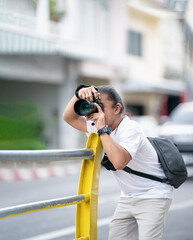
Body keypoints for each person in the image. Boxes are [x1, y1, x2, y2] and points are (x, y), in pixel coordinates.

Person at [63, 84, 173, 240]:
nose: (94, 110)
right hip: (128, 197)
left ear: (116, 108)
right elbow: (69, 118)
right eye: (93, 104)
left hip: (153, 194)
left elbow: (119, 162)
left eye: (100, 106)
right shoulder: (101, 126)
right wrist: (79, 94)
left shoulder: (130, 128)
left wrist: (101, 129)